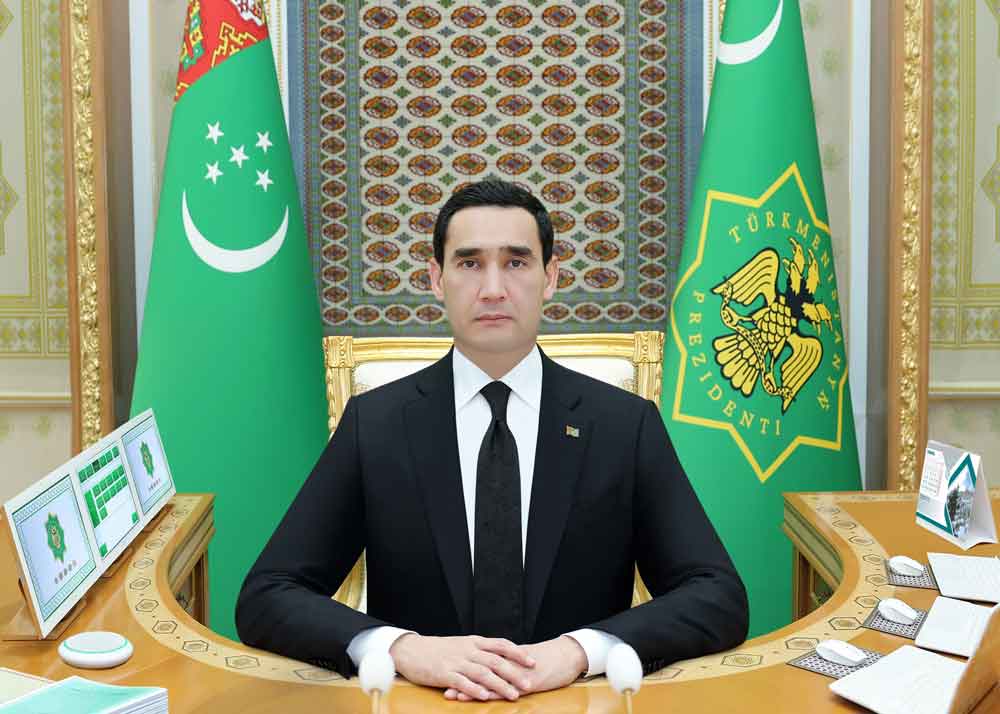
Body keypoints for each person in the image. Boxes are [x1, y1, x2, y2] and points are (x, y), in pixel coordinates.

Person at [236, 179, 748, 702]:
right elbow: (268, 595)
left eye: (517, 262)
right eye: (470, 263)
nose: (494, 288)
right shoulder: (376, 424)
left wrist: (581, 651)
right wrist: (401, 648)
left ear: (551, 277)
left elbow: (718, 595)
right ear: (436, 279)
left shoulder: (623, 425)